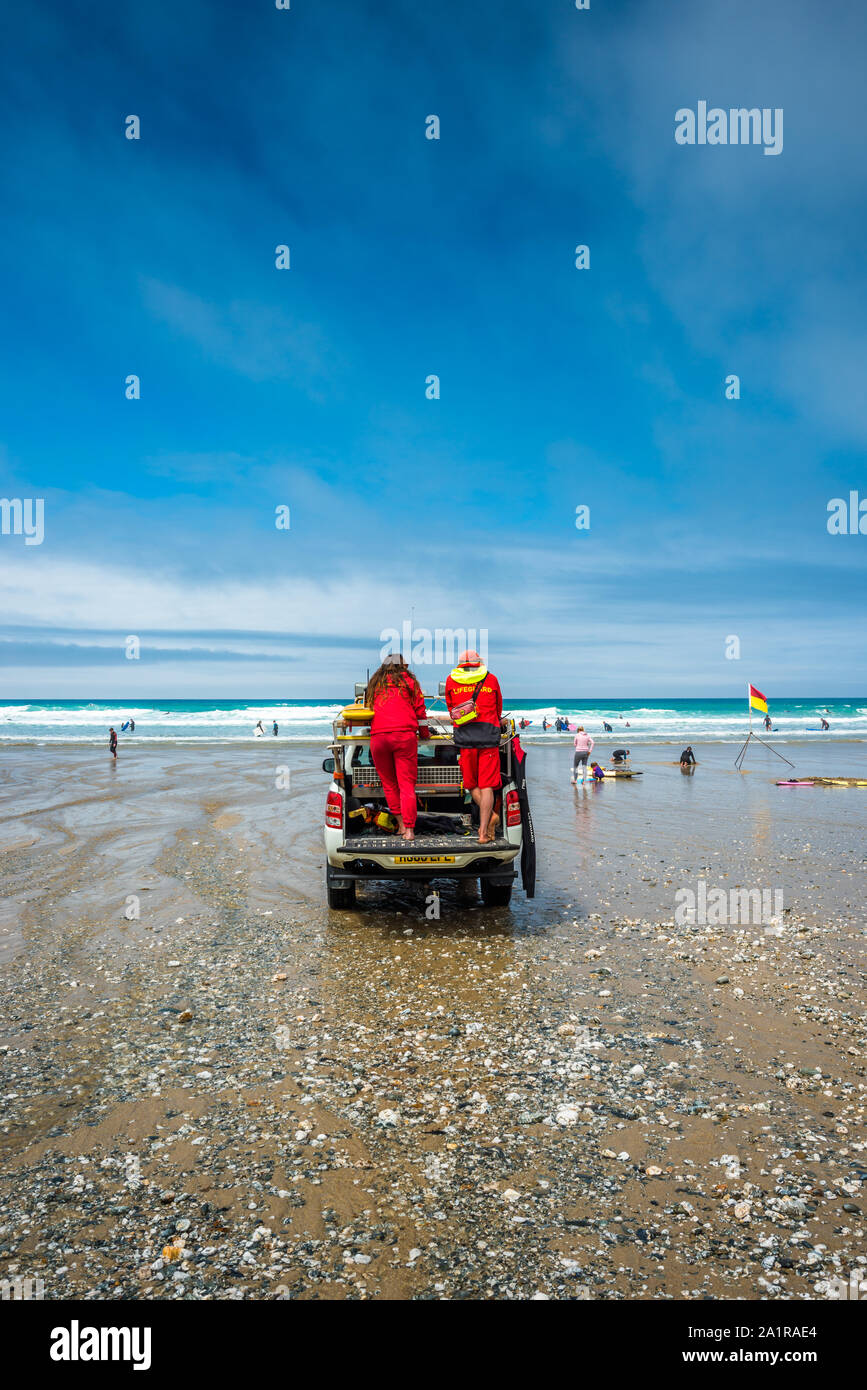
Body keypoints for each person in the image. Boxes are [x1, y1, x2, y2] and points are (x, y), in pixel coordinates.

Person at [366, 654, 430, 842]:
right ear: (402, 665)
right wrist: (425, 734)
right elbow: (420, 711)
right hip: (404, 736)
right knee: (406, 785)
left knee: (390, 784)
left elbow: (369, 709)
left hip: (379, 737)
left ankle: (401, 826)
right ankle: (410, 831)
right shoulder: (410, 682)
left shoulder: (375, 684)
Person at [445, 649, 503, 844]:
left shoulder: (451, 680)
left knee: (470, 784)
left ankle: (488, 822)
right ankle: (484, 831)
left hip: (465, 737)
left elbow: (451, 708)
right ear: (479, 662)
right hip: (488, 736)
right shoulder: (491, 679)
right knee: (487, 785)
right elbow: (498, 708)